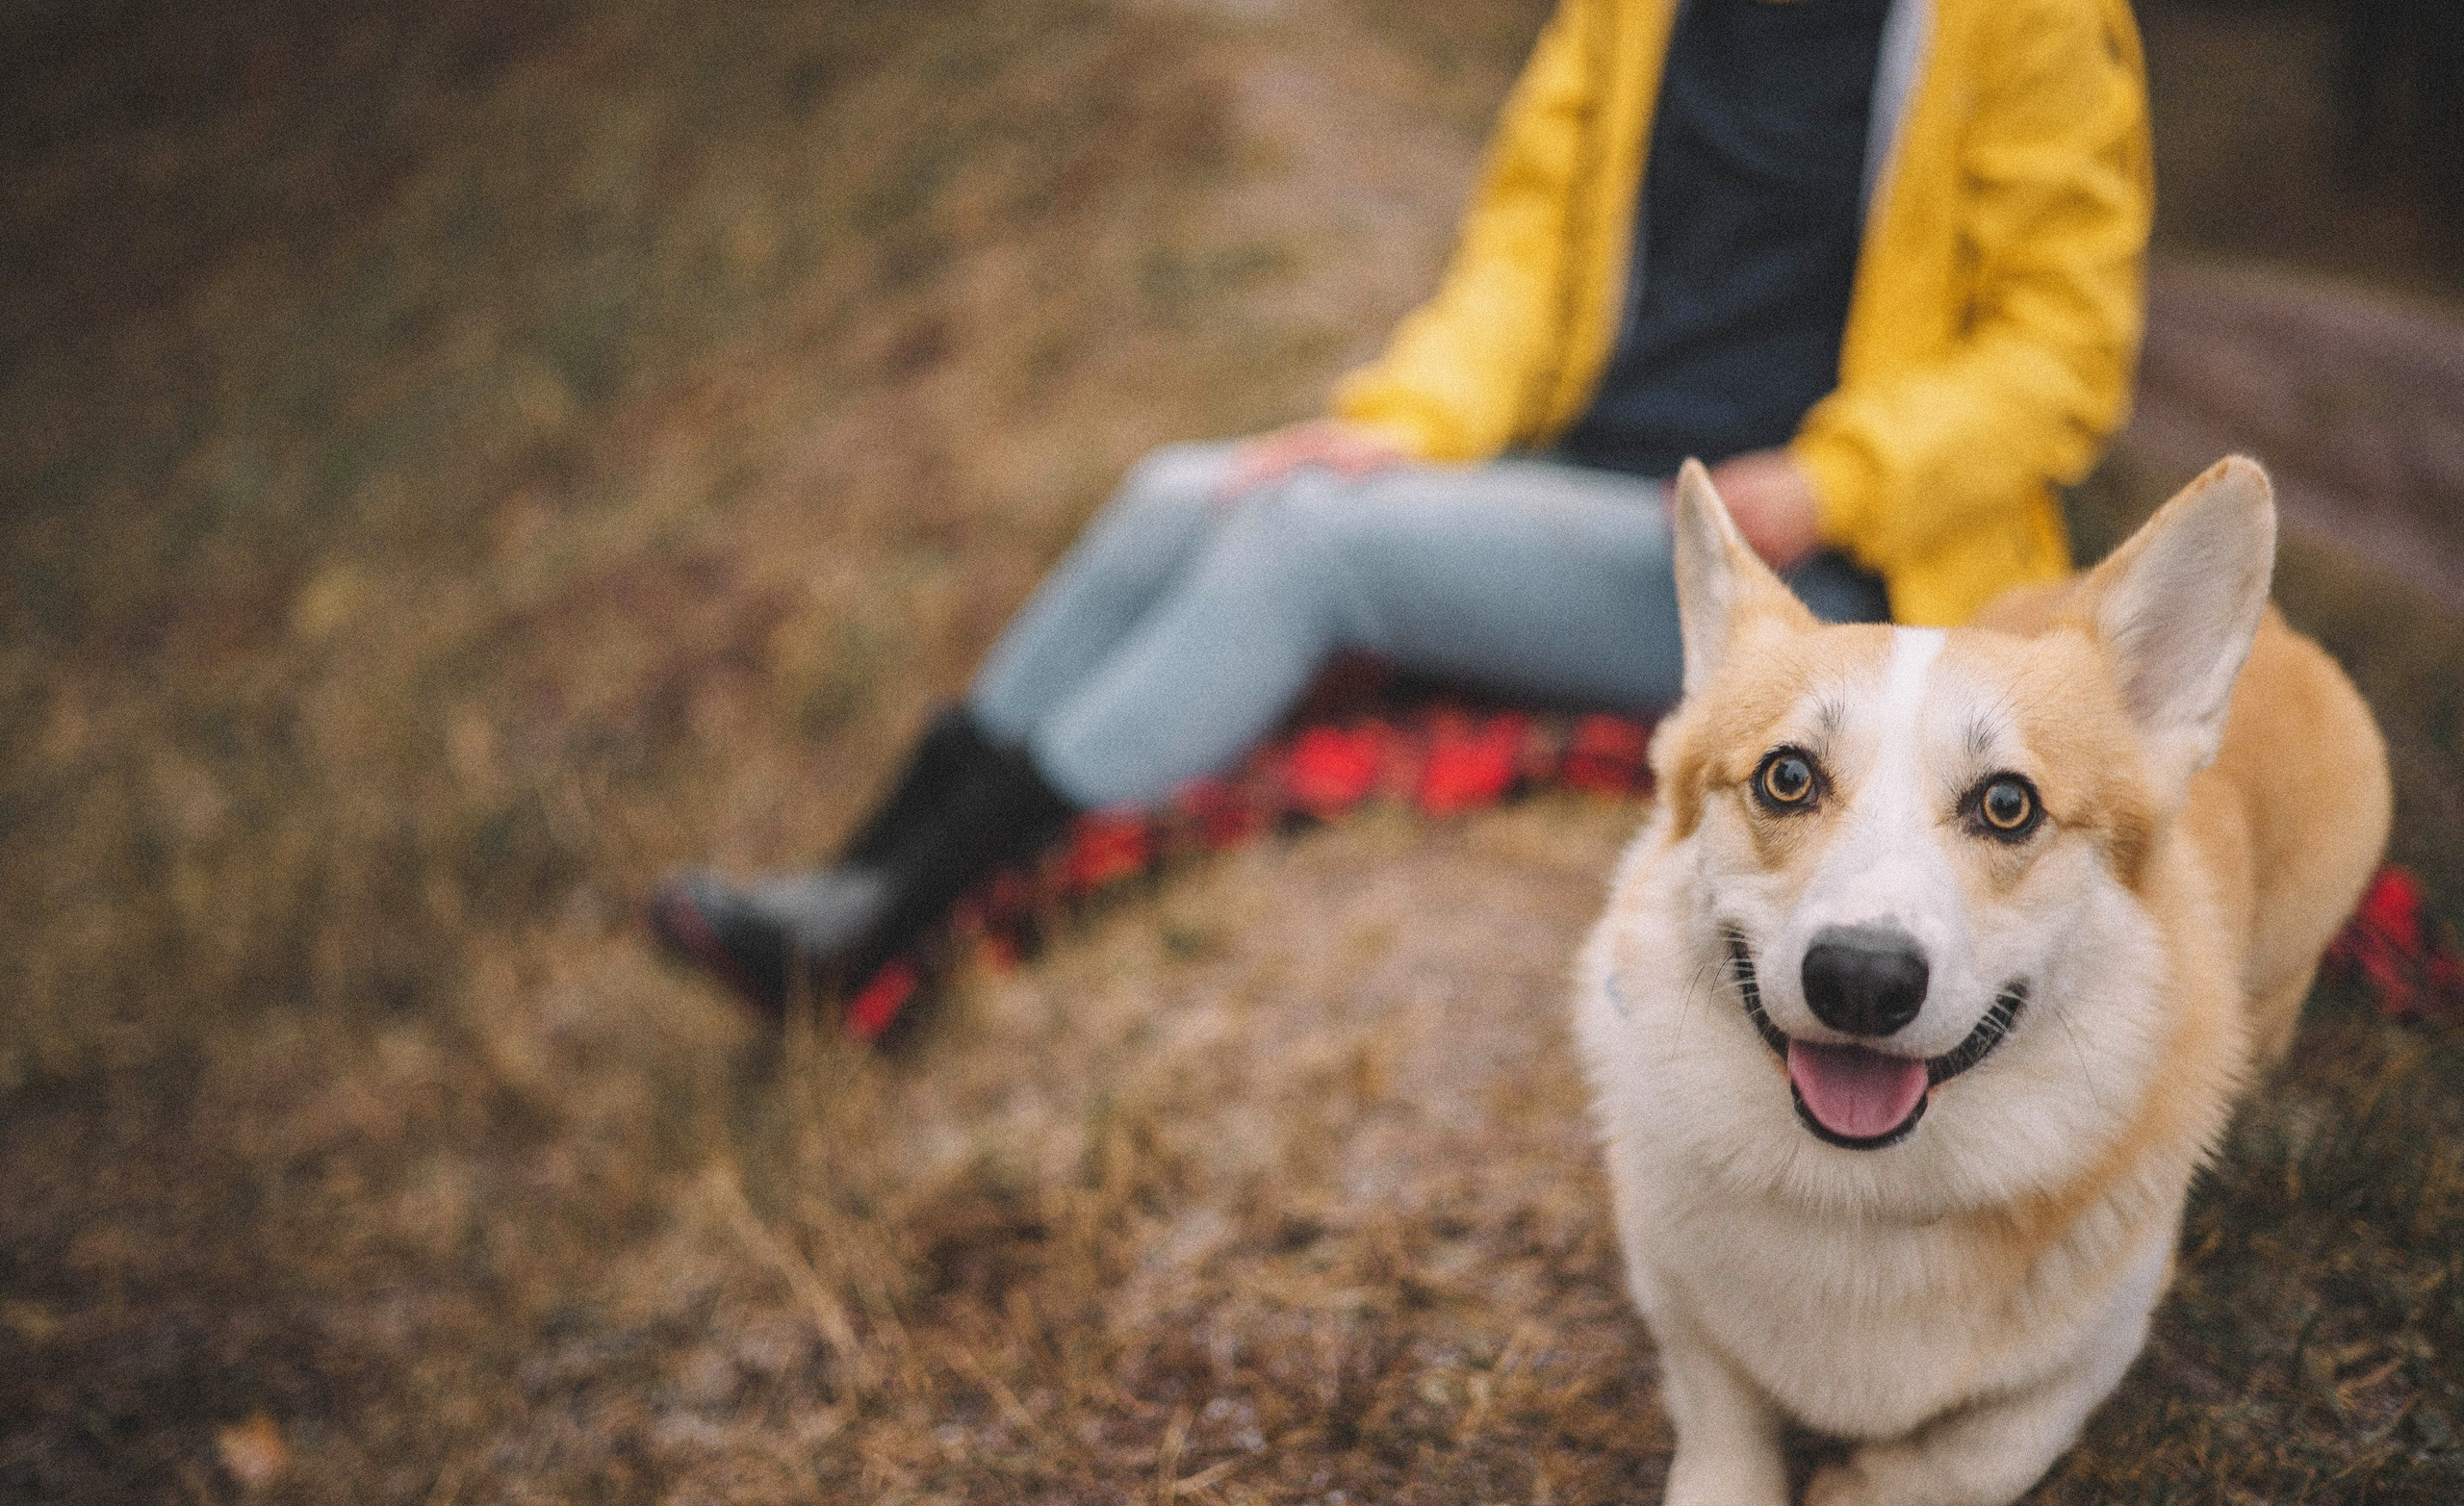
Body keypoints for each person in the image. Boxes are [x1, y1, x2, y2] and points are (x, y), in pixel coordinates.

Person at [651, 0, 2153, 1020]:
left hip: (1817, 572)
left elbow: (2065, 351)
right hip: (1601, 474)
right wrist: (1395, 427)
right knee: (1195, 487)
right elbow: (1523, 246)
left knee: (1311, 547)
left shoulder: (2026, 21)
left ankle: (912, 909)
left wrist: (1836, 478)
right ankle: (867, 865)